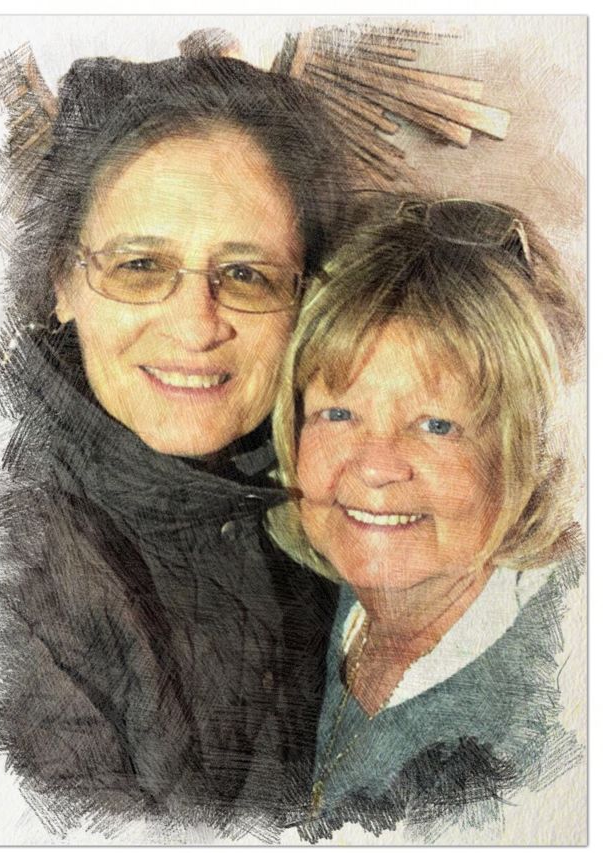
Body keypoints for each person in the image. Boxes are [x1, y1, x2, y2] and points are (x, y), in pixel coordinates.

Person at [0, 55, 347, 836]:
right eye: (141, 266)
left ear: (305, 299)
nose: (196, 325)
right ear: (61, 281)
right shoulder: (9, 578)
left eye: (246, 274)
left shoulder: (327, 514)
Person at [268, 197, 585, 839]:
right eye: (338, 413)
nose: (376, 467)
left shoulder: (556, 716)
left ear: (524, 456)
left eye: (436, 425)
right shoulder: (317, 607)